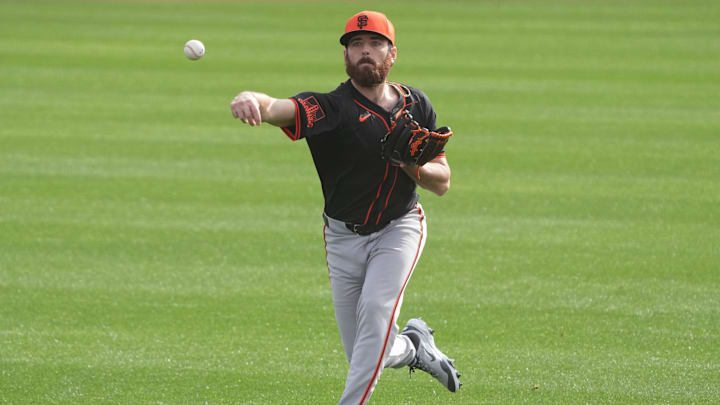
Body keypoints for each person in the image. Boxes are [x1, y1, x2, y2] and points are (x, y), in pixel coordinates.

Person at [229, 10, 461, 404]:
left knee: (374, 314)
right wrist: (253, 99)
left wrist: (409, 164)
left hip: (399, 228)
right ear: (346, 57)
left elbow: (443, 182)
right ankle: (414, 346)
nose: (365, 51)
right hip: (342, 241)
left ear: (392, 53)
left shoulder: (416, 104)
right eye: (356, 45)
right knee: (368, 354)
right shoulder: (331, 109)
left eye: (375, 44)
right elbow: (279, 108)